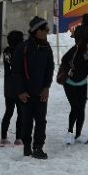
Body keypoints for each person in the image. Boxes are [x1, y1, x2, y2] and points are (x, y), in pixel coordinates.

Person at [15, 17, 54, 159]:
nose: (48, 32)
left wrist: (46, 87)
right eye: (46, 30)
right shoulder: (23, 48)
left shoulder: (46, 47)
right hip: (26, 93)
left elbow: (50, 68)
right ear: (37, 31)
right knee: (26, 120)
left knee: (41, 120)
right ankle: (26, 145)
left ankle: (38, 147)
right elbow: (17, 71)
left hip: (41, 92)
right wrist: (20, 91)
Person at [59, 30, 88, 144]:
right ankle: (70, 133)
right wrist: (70, 69)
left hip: (82, 83)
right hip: (70, 83)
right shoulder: (76, 49)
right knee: (75, 107)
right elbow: (64, 60)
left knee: (81, 109)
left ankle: (78, 134)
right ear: (85, 41)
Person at [0, 29, 25, 148]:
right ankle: (18, 138)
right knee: (20, 112)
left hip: (8, 86)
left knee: (8, 112)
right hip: (19, 86)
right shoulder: (21, 52)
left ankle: (3, 138)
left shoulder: (6, 51)